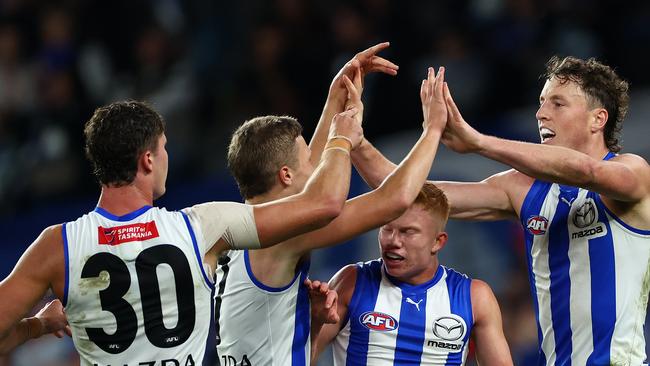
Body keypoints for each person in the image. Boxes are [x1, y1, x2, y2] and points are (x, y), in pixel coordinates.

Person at [0, 99, 363, 364]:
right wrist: (341, 136)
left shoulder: (57, 245)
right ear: (148, 160)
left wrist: (37, 326)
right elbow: (323, 203)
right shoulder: (200, 226)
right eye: (164, 148)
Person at [352, 56, 650, 365]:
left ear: (597, 119)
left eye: (557, 104)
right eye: (541, 102)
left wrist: (479, 142)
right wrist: (352, 137)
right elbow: (407, 193)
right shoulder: (523, 189)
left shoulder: (632, 173)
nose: (541, 113)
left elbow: (588, 171)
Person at [214, 43, 449, 365]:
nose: (315, 166)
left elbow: (309, 172)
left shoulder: (234, 229)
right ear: (285, 175)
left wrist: (338, 94)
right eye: (307, 163)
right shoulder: (282, 237)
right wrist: (433, 130)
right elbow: (394, 199)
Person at [308, 183, 513, 365]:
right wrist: (315, 322)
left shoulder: (474, 297)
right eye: (387, 229)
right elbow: (296, 359)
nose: (393, 241)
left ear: (437, 242)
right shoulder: (352, 281)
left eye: (407, 232)